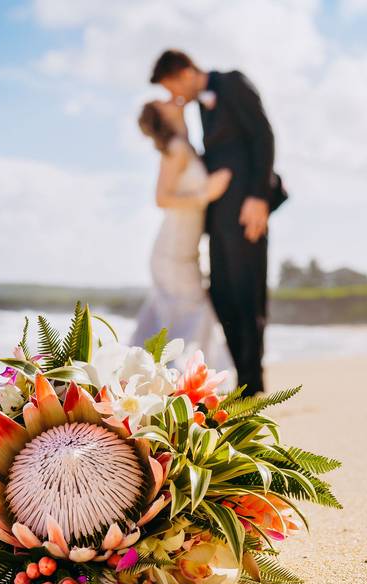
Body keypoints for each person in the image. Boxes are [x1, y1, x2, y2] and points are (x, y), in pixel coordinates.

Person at [150, 49, 276, 395]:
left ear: (186, 71)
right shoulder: (199, 110)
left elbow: (263, 136)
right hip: (218, 223)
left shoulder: (232, 83)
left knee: (248, 294)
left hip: (247, 212)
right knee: (222, 295)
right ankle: (240, 376)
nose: (175, 97)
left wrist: (259, 197)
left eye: (173, 86)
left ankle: (253, 384)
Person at [131, 98, 234, 372]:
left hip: (184, 249)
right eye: (163, 102)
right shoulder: (176, 149)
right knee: (192, 315)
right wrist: (206, 193)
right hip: (173, 250)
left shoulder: (184, 144)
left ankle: (160, 382)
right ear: (162, 117)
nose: (171, 99)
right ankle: (182, 383)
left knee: (176, 318)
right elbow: (161, 198)